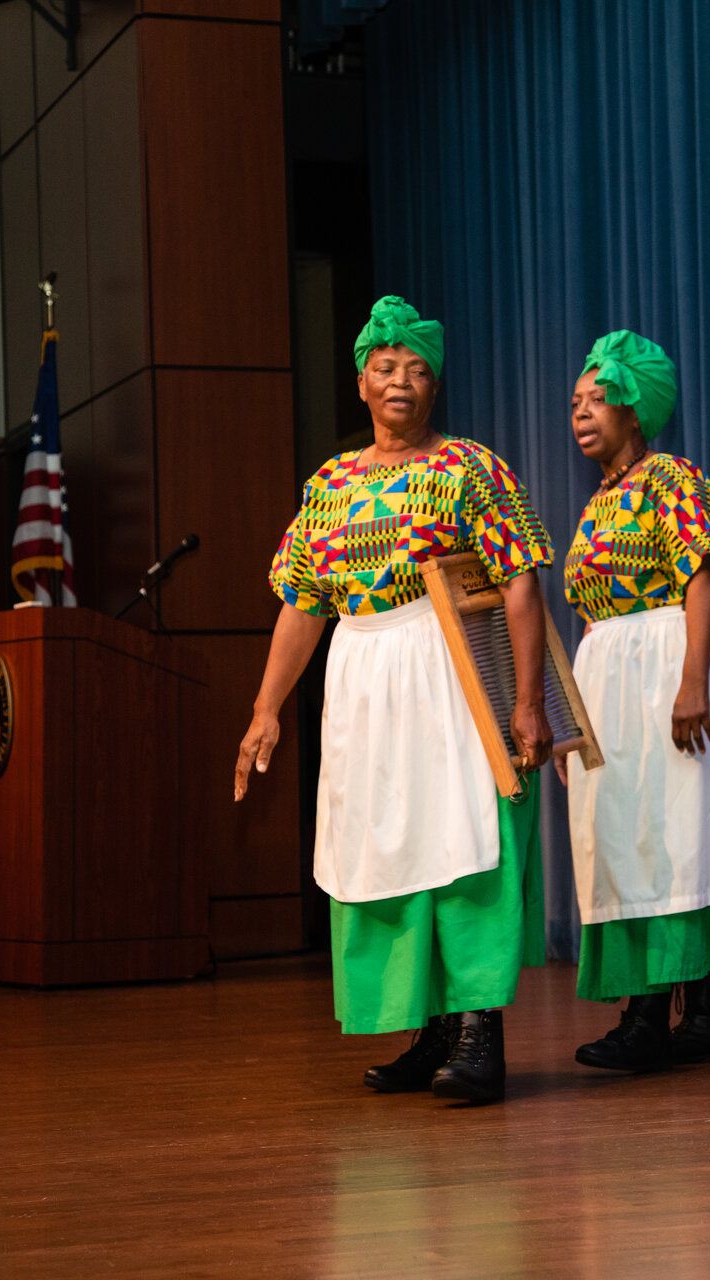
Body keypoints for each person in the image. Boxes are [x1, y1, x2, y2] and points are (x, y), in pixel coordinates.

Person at [234, 295, 557, 1105]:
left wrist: (525, 701)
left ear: (435, 387)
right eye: (386, 367)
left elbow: (519, 578)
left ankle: (481, 1031)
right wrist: (266, 707)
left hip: (444, 666)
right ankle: (430, 1030)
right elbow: (304, 602)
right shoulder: (331, 484)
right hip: (362, 674)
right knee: (389, 842)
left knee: (462, 837)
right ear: (360, 383)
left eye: (417, 369)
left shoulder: (469, 467)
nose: (402, 381)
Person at [559, 329, 710, 1073]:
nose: (583, 411)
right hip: (614, 679)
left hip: (669, 667)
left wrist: (692, 680)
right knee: (637, 834)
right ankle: (705, 1016)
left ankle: (653, 1016)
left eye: (600, 398)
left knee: (683, 833)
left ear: (637, 411)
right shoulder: (602, 498)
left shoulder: (672, 479)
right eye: (576, 401)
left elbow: (703, 574)